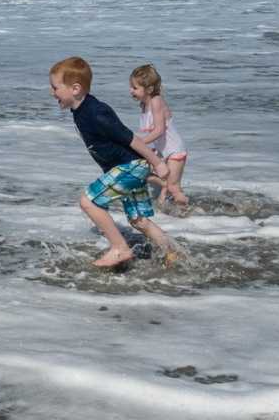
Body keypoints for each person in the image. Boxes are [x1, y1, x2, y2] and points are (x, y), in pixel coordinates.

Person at [49, 56, 174, 268]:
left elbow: (130, 138)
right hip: (132, 166)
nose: (52, 93)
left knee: (88, 202)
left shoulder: (96, 112)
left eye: (55, 88)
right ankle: (172, 253)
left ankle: (120, 248)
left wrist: (158, 163)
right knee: (138, 220)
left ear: (75, 89)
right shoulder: (80, 110)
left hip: (130, 166)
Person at [130, 64, 190, 206]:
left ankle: (189, 211)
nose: (131, 91)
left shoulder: (156, 101)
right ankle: (167, 211)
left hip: (175, 150)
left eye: (135, 88)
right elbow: (151, 132)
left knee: (173, 187)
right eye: (131, 86)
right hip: (161, 152)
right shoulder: (143, 105)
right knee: (141, 173)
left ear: (149, 89)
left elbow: (159, 130)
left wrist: (139, 143)